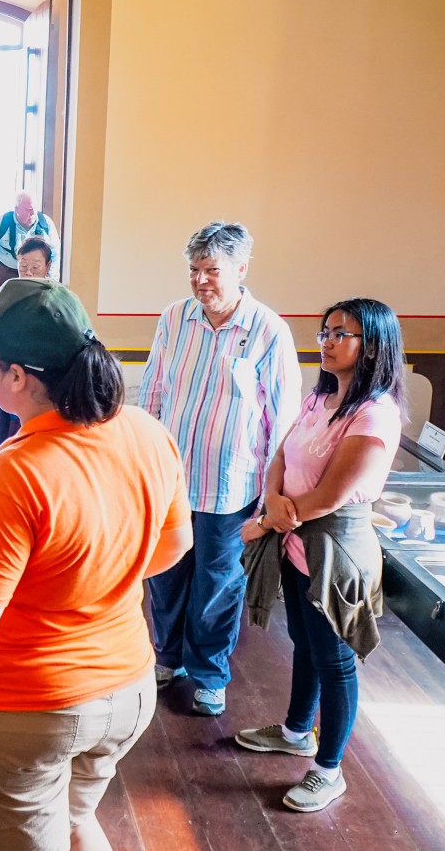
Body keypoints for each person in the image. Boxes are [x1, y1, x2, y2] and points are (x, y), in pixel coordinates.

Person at [0, 279, 192, 851]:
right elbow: (171, 548)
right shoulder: (147, 431)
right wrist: (89, 579)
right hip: (126, 688)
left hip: (27, 710)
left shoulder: (14, 476)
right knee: (77, 821)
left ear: (19, 377)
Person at [235, 298, 404, 813]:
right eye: (325, 332)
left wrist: (267, 519)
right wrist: (275, 502)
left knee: (335, 662)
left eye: (341, 334)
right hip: (295, 536)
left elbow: (332, 496)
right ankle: (294, 730)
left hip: (334, 546)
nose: (327, 342)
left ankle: (329, 770)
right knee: (304, 645)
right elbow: (282, 454)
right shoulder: (320, 398)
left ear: (371, 344)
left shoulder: (374, 413)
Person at [137, 221, 301, 717]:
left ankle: (209, 671)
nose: (201, 281)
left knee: (217, 581)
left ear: (241, 269)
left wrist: (274, 491)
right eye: (194, 270)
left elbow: (283, 417)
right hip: (172, 477)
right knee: (165, 571)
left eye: (212, 270)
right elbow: (155, 393)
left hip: (232, 484)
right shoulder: (174, 319)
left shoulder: (268, 330)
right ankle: (166, 658)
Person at [0, 236, 54, 452]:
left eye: (36, 266)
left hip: (35, 374)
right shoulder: (5, 293)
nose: (29, 272)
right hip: (3, 370)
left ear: (48, 265)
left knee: (26, 431)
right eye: (23, 266)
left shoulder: (56, 297)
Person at [0, 191, 60, 291]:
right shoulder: (2, 222)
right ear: (17, 209)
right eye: (28, 210)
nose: (33, 213)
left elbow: (55, 255)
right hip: (6, 274)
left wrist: (52, 279)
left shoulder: (46, 224)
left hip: (36, 276)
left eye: (35, 209)